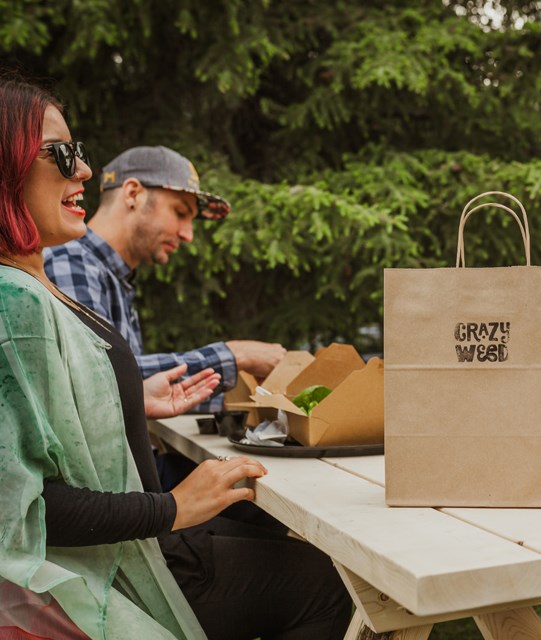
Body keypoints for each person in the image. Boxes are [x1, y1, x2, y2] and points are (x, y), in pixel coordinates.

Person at [0, 75, 351, 639]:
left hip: (135, 542)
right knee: (325, 585)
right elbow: (25, 501)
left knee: (286, 543)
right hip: (117, 563)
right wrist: (172, 508)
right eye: (62, 153)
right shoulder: (23, 292)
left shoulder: (42, 276)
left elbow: (48, 417)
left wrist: (132, 398)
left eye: (81, 154)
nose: (83, 170)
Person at [44, 144, 286, 414]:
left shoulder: (112, 276)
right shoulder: (72, 261)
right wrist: (236, 355)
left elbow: (141, 391)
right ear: (133, 194)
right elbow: (99, 375)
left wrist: (243, 401)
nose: (188, 235)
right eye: (180, 213)